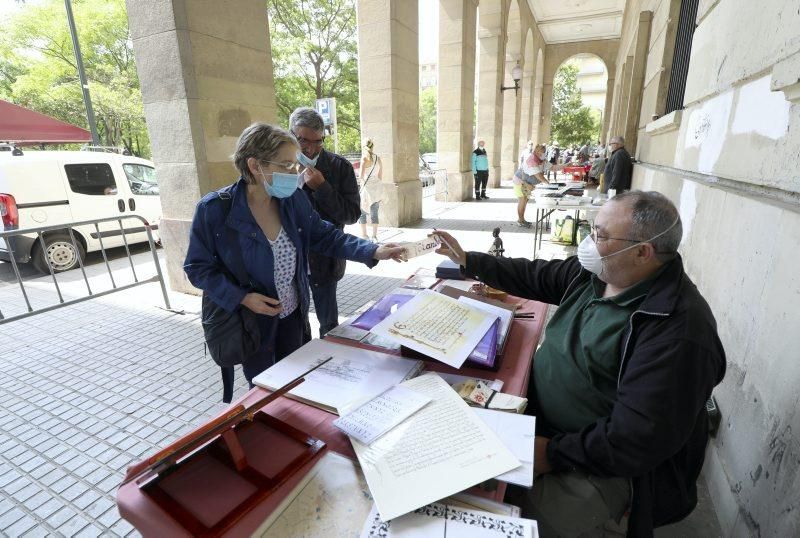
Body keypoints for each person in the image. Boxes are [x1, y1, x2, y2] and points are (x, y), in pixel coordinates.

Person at [430, 191, 725, 537]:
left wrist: (551, 454)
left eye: (600, 235)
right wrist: (469, 260)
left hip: (607, 462)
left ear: (643, 252)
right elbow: (535, 275)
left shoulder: (680, 331)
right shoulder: (600, 272)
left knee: (509, 520)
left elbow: (636, 439)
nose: (588, 241)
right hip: (542, 422)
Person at [184, 123, 405, 391]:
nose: (296, 172)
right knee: (264, 387)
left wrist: (373, 250)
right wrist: (242, 298)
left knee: (297, 381)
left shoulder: (293, 200)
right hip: (250, 322)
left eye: (295, 164)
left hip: (292, 314)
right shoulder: (215, 210)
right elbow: (198, 268)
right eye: (287, 166)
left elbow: (325, 235)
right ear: (255, 166)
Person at [290, 107, 361, 338]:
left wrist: (323, 188)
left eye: (317, 141)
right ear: (291, 134)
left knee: (329, 324)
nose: (310, 148)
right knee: (296, 325)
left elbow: (351, 215)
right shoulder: (279, 167)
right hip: (290, 263)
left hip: (325, 262)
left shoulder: (340, 167)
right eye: (302, 140)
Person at [513, 143, 563, 227]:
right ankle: (520, 221)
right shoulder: (532, 160)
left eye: (544, 152)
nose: (543, 153)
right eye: (542, 152)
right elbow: (539, 176)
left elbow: (553, 168)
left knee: (525, 201)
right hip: (520, 181)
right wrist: (549, 185)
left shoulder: (542, 160)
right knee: (522, 200)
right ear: (537, 152)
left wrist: (565, 165)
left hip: (528, 183)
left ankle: (522, 220)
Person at [358, 138, 383, 242]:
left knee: (362, 212)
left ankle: (364, 235)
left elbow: (361, 176)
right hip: (376, 189)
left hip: (366, 190)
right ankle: (374, 236)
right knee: (374, 212)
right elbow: (380, 176)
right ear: (373, 146)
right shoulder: (378, 158)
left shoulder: (364, 159)